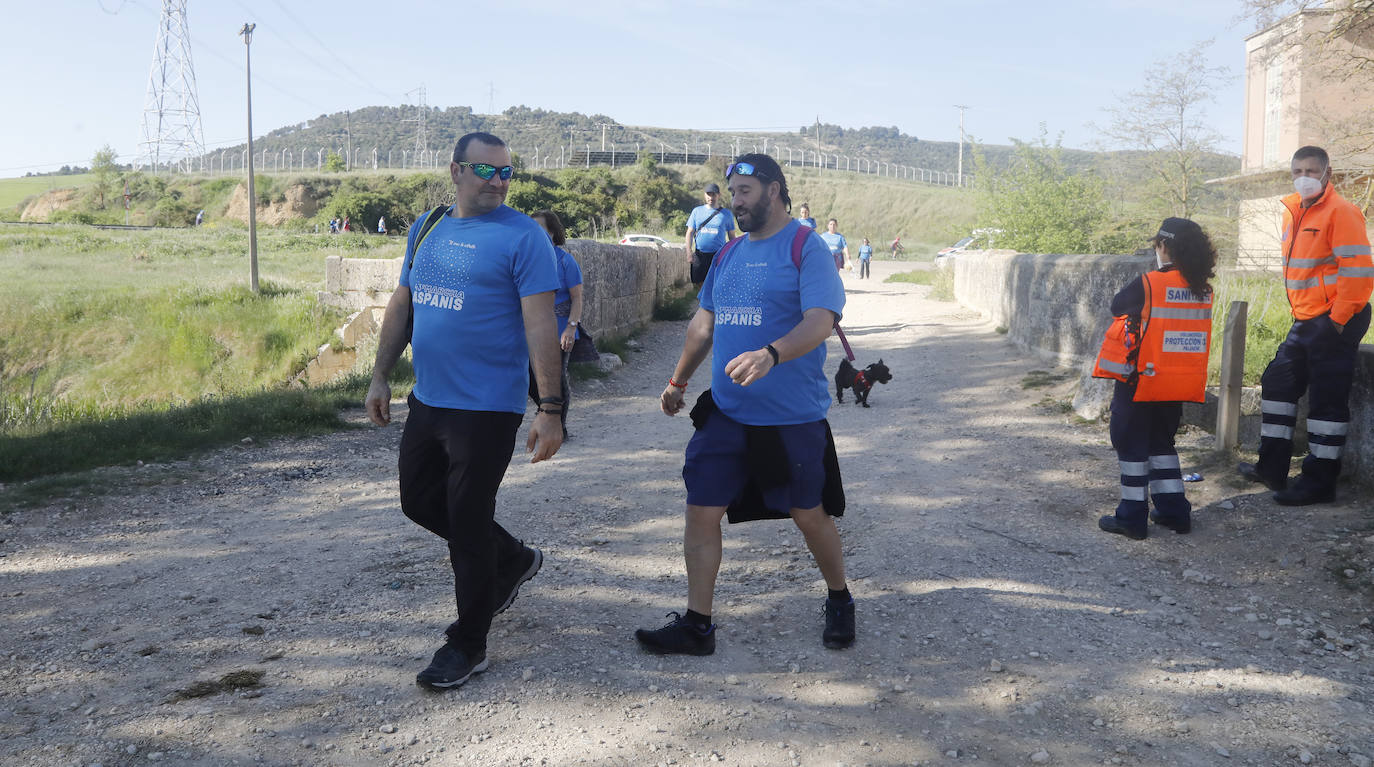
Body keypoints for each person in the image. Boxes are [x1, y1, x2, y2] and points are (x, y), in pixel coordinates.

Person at [364, 131, 565, 691]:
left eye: (506, 172)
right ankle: (514, 559)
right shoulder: (427, 226)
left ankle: (468, 642)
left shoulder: (525, 237)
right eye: (487, 170)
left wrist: (550, 408)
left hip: (487, 407)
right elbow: (403, 301)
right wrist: (380, 374)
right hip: (428, 398)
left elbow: (540, 323)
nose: (499, 181)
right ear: (456, 170)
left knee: (467, 521)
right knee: (418, 501)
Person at [635, 153, 853, 656]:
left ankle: (839, 598)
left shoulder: (805, 247)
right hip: (727, 414)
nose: (736, 201)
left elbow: (822, 319)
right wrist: (677, 381)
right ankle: (697, 625)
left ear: (774, 190)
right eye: (732, 192)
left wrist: (772, 354)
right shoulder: (729, 253)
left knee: (808, 514)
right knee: (700, 510)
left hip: (791, 417)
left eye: (745, 192)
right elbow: (703, 325)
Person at [1238, 145, 1374, 505]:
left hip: (1335, 318)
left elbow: (1358, 272)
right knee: (1278, 381)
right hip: (1306, 318)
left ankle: (1319, 483)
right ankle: (1272, 468)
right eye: (1298, 171)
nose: (1304, 177)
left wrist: (1339, 321)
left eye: (1312, 171)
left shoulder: (1342, 211)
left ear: (1327, 174)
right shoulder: (1293, 212)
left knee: (1327, 401)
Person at [1093, 217, 1215, 540]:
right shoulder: (1203, 289)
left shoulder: (1150, 283)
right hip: (1174, 383)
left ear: (1163, 246)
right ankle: (1175, 512)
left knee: (1130, 443)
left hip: (1141, 378)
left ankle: (1131, 517)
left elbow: (1117, 305)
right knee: (1162, 444)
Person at [527, 209, 582, 439]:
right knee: (531, 378)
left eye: (541, 229)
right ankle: (546, 415)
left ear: (552, 232)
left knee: (557, 378)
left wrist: (571, 327)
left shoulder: (565, 261)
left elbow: (577, 297)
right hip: (531, 330)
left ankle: (559, 426)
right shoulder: (527, 261)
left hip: (560, 329)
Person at [684, 182, 737, 287]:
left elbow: (732, 236)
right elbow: (689, 233)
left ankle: (712, 302)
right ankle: (703, 303)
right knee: (699, 283)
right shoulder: (697, 211)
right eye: (708, 194)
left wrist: (732, 254)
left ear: (719, 195)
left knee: (716, 284)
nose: (711, 197)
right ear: (704, 195)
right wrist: (689, 252)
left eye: (714, 194)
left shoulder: (726, 214)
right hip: (700, 254)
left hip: (719, 254)